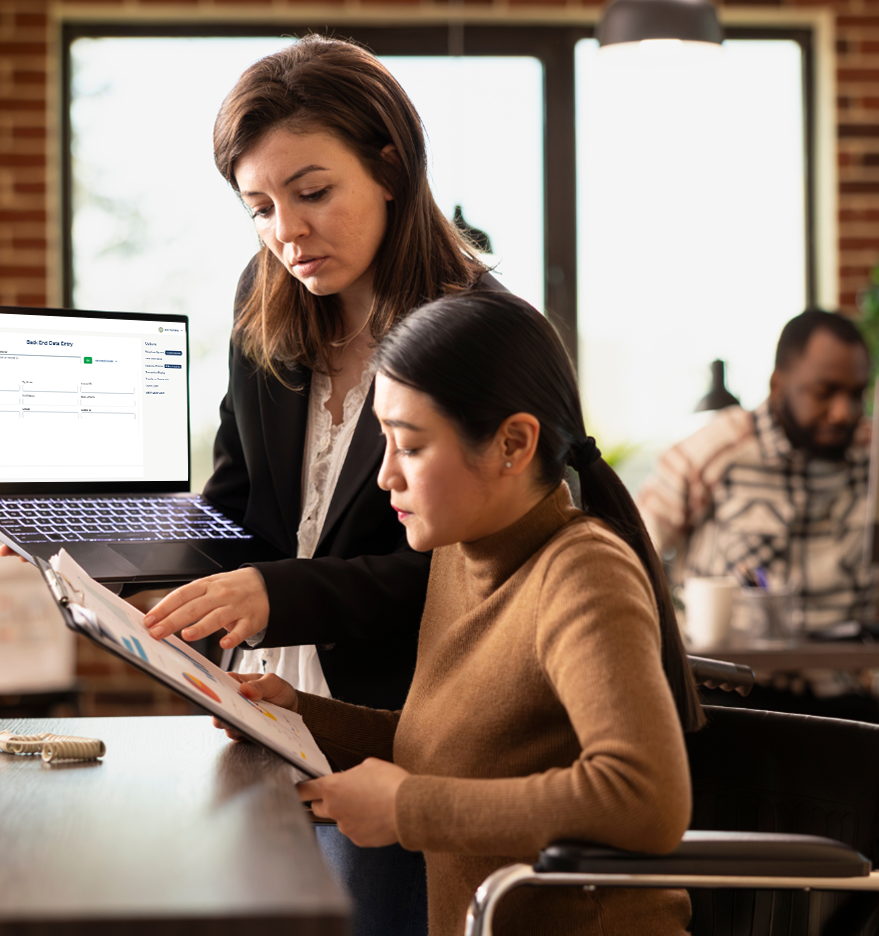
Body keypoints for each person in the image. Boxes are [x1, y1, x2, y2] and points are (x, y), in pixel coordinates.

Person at [0, 35, 494, 936]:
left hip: (395, 728)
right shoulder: (267, 304)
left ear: (389, 164)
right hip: (259, 717)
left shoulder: (479, 337)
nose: (284, 231)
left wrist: (274, 590)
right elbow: (237, 512)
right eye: (256, 205)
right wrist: (91, 543)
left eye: (311, 192)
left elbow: (473, 574)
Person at [212, 291, 705, 936]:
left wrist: (409, 807)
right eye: (383, 441)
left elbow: (644, 802)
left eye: (410, 447)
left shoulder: (583, 574)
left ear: (513, 443)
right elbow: (445, 747)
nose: (387, 474)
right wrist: (297, 715)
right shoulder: (457, 554)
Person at [638, 309, 877, 720]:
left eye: (856, 394)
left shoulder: (870, 456)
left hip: (848, 698)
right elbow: (631, 548)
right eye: (826, 392)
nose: (843, 412)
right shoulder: (716, 451)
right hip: (738, 695)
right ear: (777, 383)